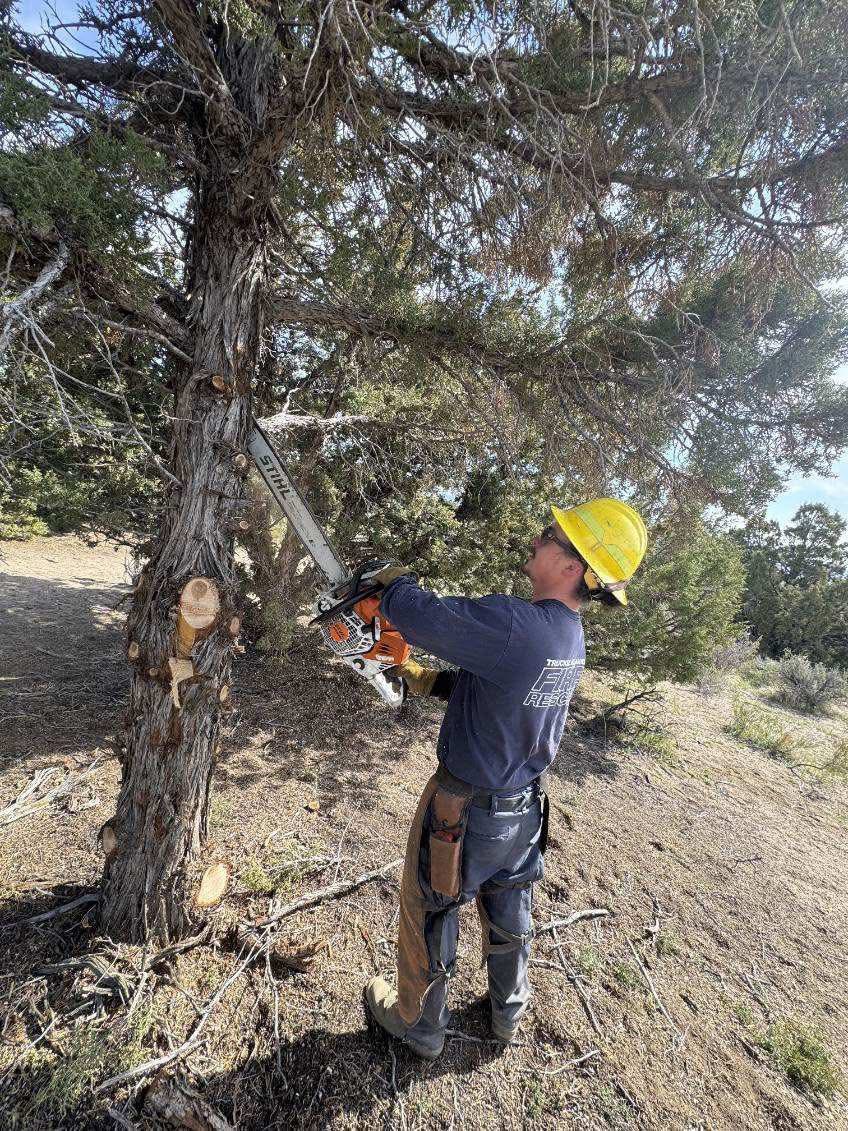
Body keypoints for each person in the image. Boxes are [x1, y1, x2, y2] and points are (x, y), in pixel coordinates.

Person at [362, 498, 647, 1060]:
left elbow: (427, 619)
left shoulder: (518, 623)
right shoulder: (565, 636)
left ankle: (417, 1023)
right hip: (522, 807)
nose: (538, 539)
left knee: (433, 903)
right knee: (510, 906)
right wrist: (428, 682)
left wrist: (393, 588)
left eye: (551, 535)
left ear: (573, 567)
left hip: (465, 806)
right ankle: (507, 1014)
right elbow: (509, 693)